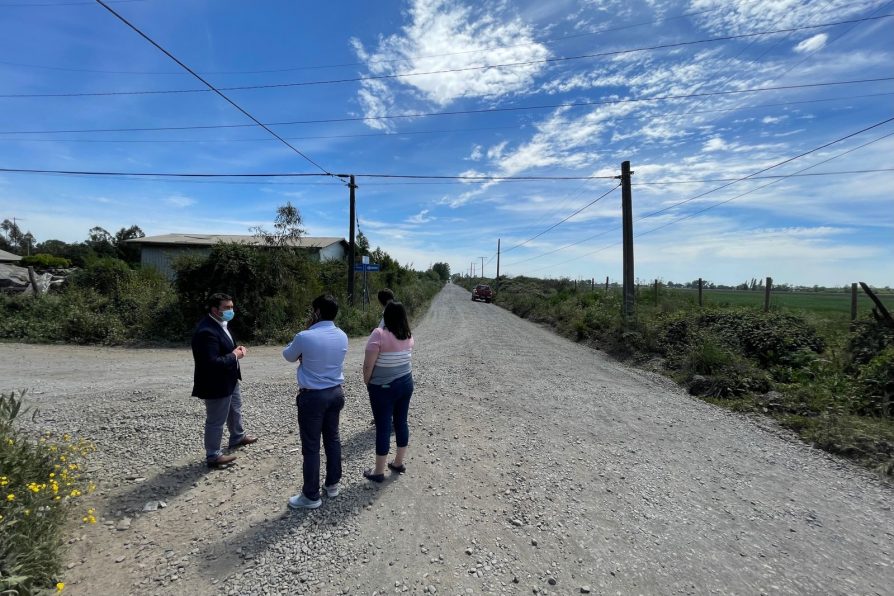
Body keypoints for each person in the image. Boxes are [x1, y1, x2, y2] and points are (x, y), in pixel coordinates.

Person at [282, 294, 349, 509]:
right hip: (335, 393)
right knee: (333, 439)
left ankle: (311, 495)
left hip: (312, 396)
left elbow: (288, 355)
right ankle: (332, 485)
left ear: (317, 311)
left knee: (311, 447)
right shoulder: (342, 335)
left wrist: (303, 353)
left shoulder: (304, 336)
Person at [191, 292, 257, 468]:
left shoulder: (221, 323)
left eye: (232, 307)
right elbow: (211, 363)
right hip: (215, 383)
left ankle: (237, 436)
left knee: (235, 409)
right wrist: (235, 355)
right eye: (227, 308)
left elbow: (223, 349)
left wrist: (235, 350)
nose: (231, 310)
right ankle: (213, 456)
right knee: (216, 420)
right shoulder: (206, 331)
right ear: (215, 310)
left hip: (230, 378)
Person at [362, 301, 414, 482]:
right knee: (401, 422)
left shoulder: (379, 334)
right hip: (406, 382)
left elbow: (368, 364)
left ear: (386, 316)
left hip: (383, 387)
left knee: (383, 427)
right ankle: (398, 463)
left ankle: (378, 472)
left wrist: (368, 383)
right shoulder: (407, 334)